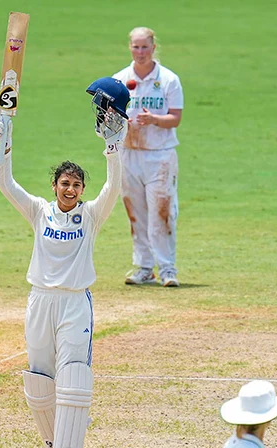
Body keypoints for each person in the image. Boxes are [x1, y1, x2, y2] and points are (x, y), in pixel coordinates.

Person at [0, 77, 129, 448]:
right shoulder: (38, 211)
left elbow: (113, 187)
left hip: (74, 301)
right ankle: (51, 446)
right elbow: (4, 182)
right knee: (38, 380)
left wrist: (113, 147)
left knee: (73, 377)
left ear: (82, 190)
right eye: (64, 183)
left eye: (76, 184)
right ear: (55, 187)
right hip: (40, 300)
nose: (70, 188)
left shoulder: (91, 216)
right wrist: (5, 132)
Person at [112, 27, 184, 287]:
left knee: (161, 211)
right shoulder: (120, 79)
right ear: (130, 47)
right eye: (136, 47)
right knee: (136, 213)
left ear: (154, 48)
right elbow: (109, 116)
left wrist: (153, 119)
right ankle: (144, 267)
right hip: (129, 153)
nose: (140, 52)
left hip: (160, 156)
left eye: (145, 47)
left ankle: (167, 269)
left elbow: (175, 118)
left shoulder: (168, 80)